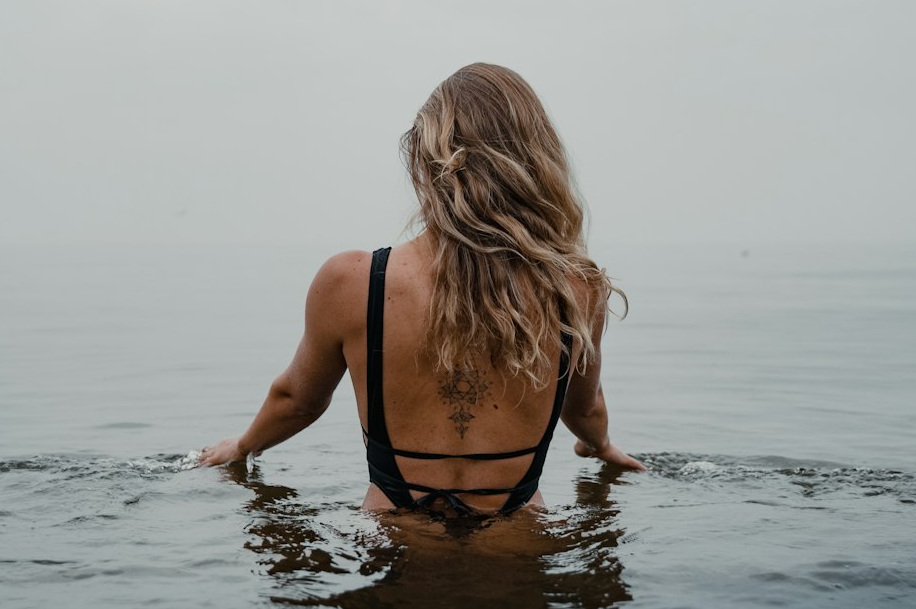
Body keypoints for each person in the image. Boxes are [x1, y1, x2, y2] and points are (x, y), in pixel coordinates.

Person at [198, 63, 645, 511]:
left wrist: (242, 447)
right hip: (518, 531)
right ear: (537, 160)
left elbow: (297, 400)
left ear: (425, 159)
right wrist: (600, 445)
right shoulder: (575, 288)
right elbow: (584, 408)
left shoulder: (353, 281)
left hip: (396, 532)